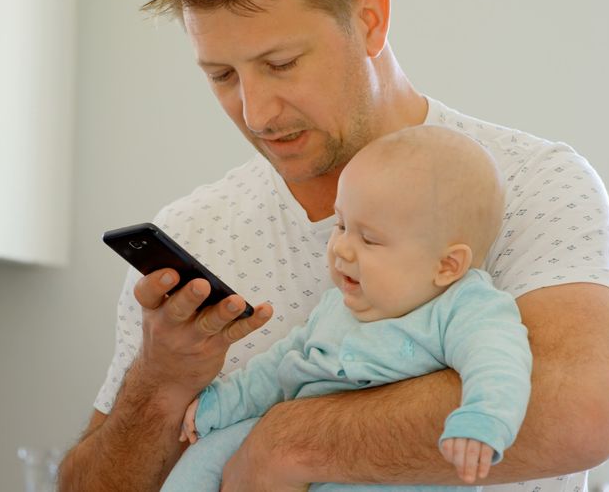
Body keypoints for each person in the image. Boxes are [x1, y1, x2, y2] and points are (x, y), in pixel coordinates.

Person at [58, 0, 609, 490]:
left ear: (370, 20)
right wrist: (158, 385)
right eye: (223, 76)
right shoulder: (193, 233)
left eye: (281, 64)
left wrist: (285, 443)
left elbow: (576, 418)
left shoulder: (530, 183)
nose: (256, 113)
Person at [162, 125, 533, 491]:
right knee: (207, 453)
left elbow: (500, 364)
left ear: (447, 265)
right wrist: (222, 404)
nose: (341, 248)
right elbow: (280, 366)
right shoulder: (337, 305)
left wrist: (482, 420)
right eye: (341, 225)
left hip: (388, 469)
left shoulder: (466, 307)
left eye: (369, 238)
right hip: (296, 444)